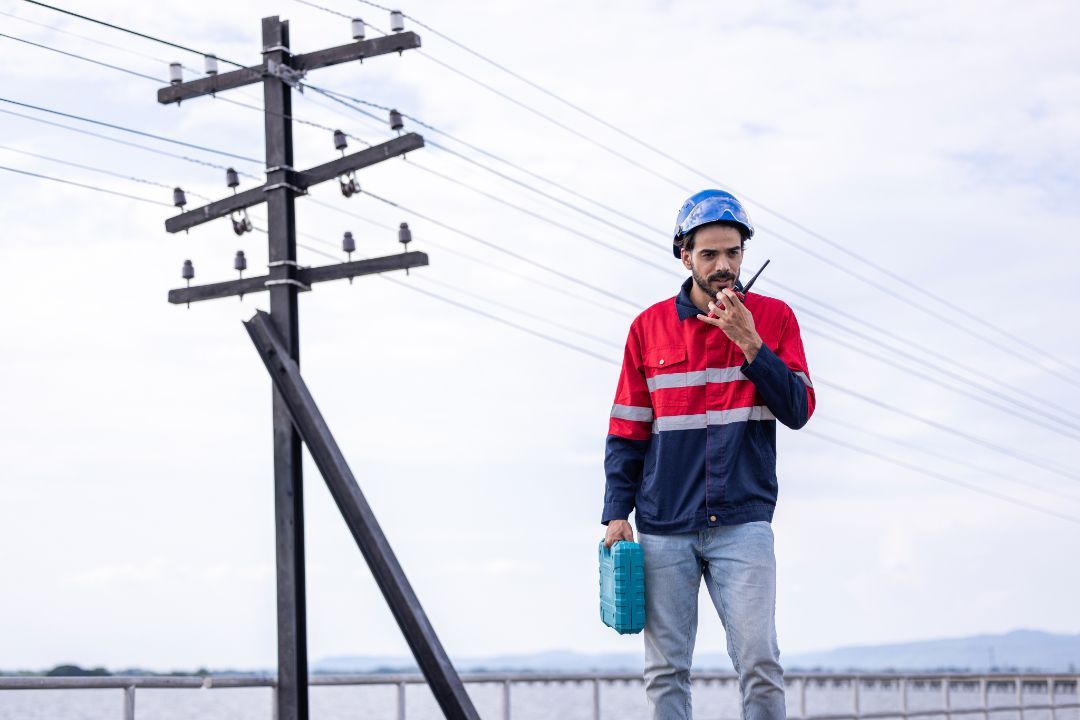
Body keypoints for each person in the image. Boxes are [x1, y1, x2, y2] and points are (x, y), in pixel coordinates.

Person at [602, 189, 816, 720]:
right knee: (666, 671)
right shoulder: (647, 328)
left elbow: (798, 409)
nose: (724, 266)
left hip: (743, 521)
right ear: (684, 255)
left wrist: (752, 345)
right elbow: (628, 429)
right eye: (709, 254)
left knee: (761, 665)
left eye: (733, 253)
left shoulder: (774, 318)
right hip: (664, 525)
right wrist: (614, 513)